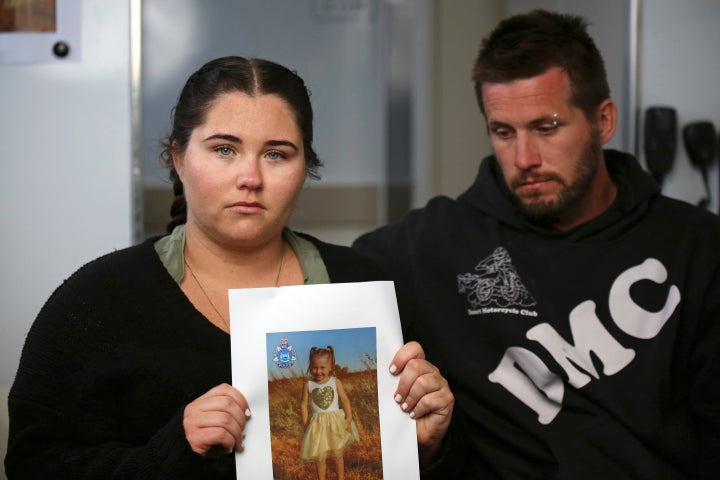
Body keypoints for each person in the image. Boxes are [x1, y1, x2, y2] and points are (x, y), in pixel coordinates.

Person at [4, 56, 454, 479]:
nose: (251, 178)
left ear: (305, 168)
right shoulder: (97, 300)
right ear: (179, 158)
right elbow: (34, 464)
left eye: (276, 154)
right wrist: (173, 450)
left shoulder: (365, 287)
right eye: (224, 149)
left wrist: (426, 447)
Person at [353, 9, 720, 479]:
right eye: (503, 132)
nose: (524, 158)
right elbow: (308, 276)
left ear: (603, 120)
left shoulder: (696, 246)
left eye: (547, 128)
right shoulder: (436, 244)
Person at [300, 346, 360, 480]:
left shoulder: (335, 382)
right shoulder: (308, 385)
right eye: (315, 367)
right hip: (318, 425)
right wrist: (305, 424)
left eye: (322, 368)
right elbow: (303, 405)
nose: (318, 371)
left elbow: (345, 400)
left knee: (338, 455)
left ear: (331, 367)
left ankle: (341, 478)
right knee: (320, 457)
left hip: (335, 423)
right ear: (310, 366)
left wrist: (348, 419)